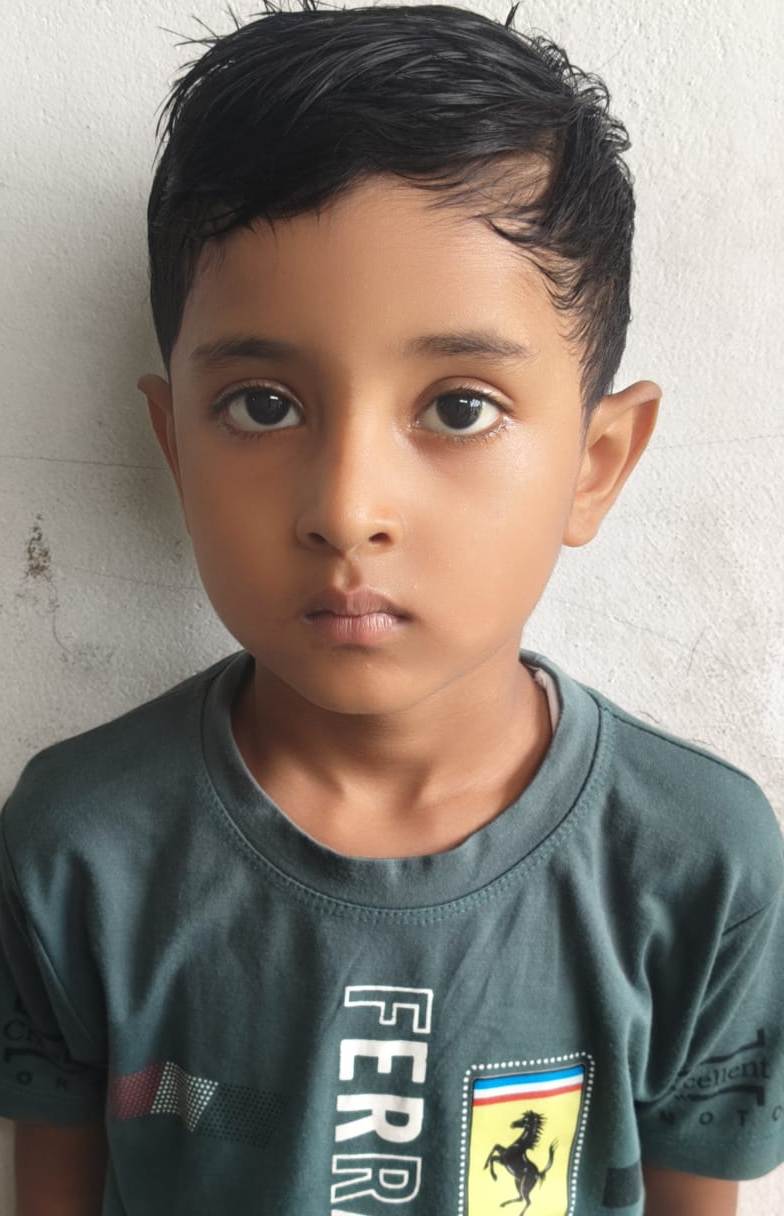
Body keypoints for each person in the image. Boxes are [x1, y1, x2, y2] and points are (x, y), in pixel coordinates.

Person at [1, 3, 781, 1213]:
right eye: (263, 405)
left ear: (595, 463)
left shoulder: (695, 860)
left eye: (459, 407)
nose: (346, 509)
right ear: (174, 444)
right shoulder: (79, 846)